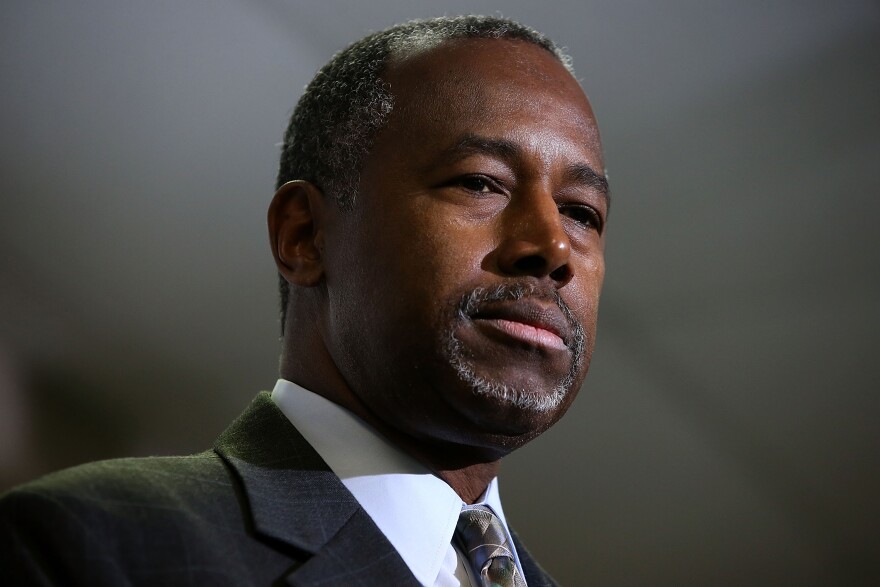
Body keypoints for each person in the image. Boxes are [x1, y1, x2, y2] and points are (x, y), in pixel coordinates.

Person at [0, 15, 609, 587]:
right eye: (480, 182)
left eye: (582, 213)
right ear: (304, 235)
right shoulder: (94, 547)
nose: (554, 245)